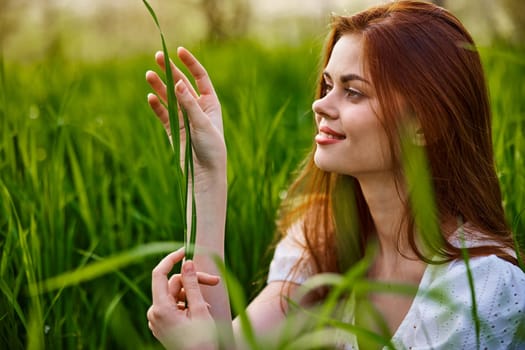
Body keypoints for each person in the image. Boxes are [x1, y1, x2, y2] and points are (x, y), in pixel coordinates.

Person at [145, 1, 525, 349]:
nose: (320, 104)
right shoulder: (322, 240)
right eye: (328, 85)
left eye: (353, 92)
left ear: (424, 124)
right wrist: (206, 177)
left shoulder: (480, 291)